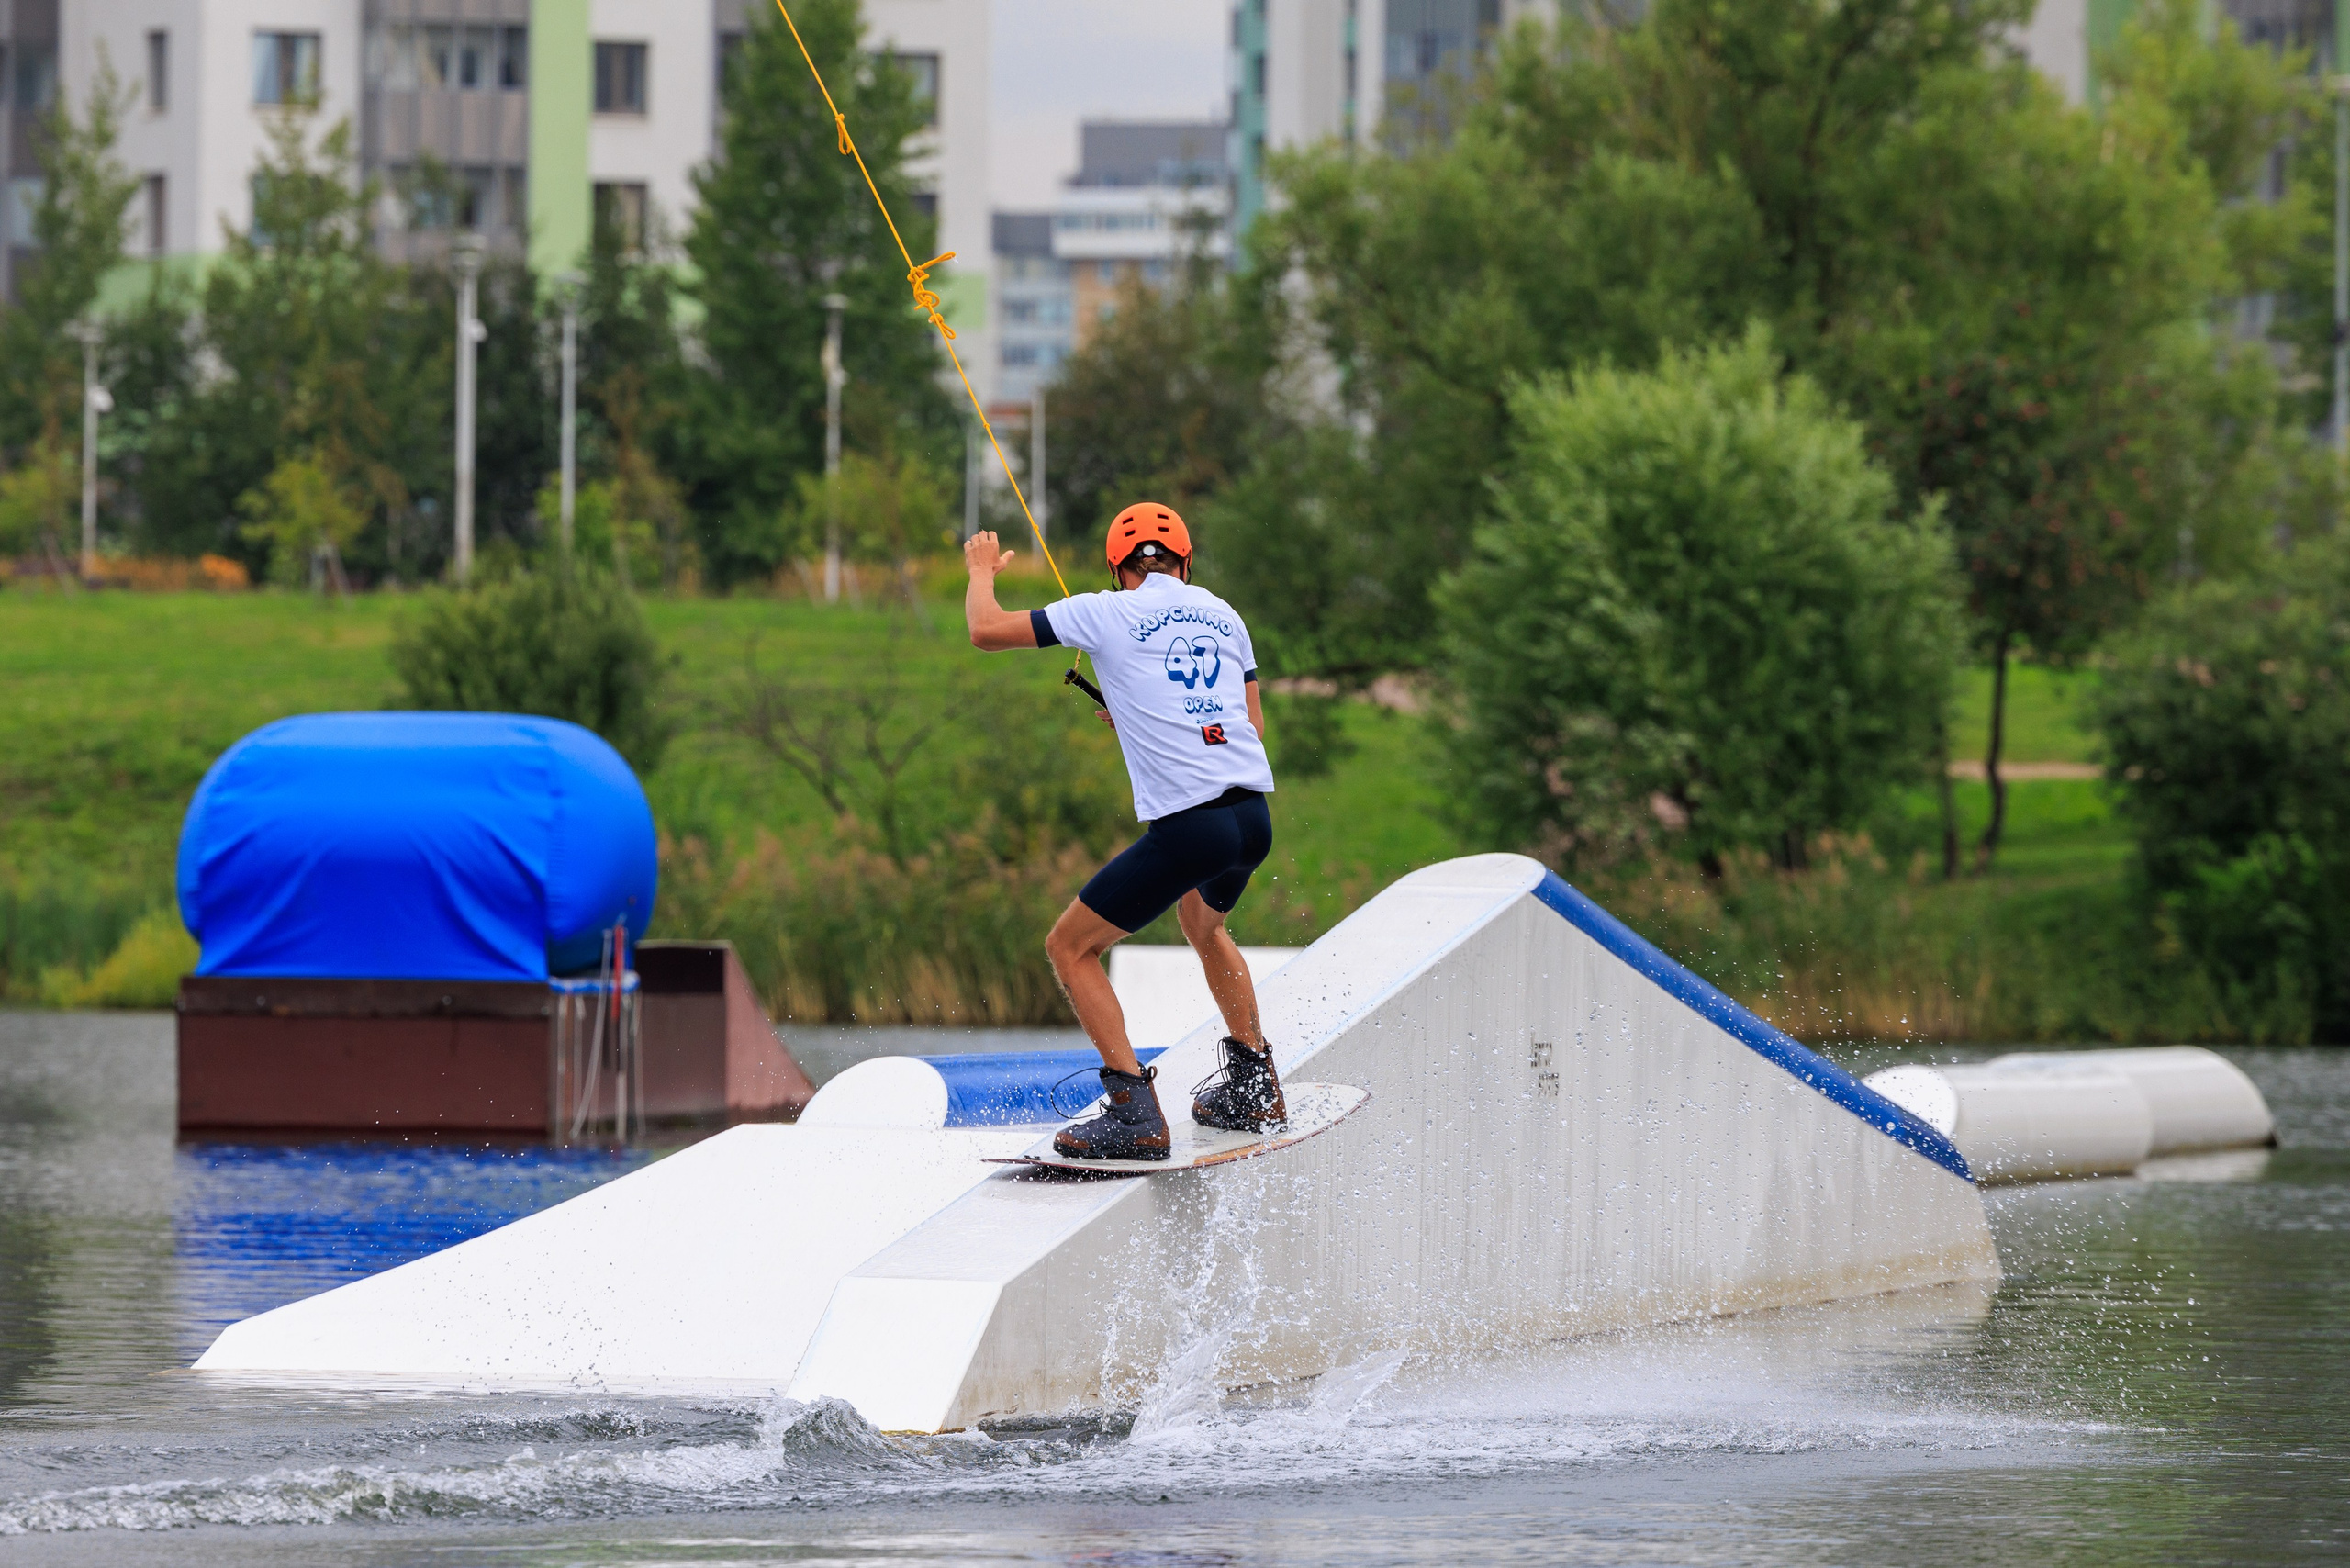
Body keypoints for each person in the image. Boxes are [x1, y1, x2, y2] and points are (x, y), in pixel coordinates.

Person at [964, 502, 1283, 1160]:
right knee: (1204, 925)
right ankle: (1255, 1084)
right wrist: (1145, 711)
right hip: (1252, 820)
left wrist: (979, 572)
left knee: (1070, 948)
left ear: (1117, 568)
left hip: (1193, 828)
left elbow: (986, 630)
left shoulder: (1104, 611)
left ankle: (1134, 1112)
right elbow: (1248, 727)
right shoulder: (1224, 614)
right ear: (1184, 562)